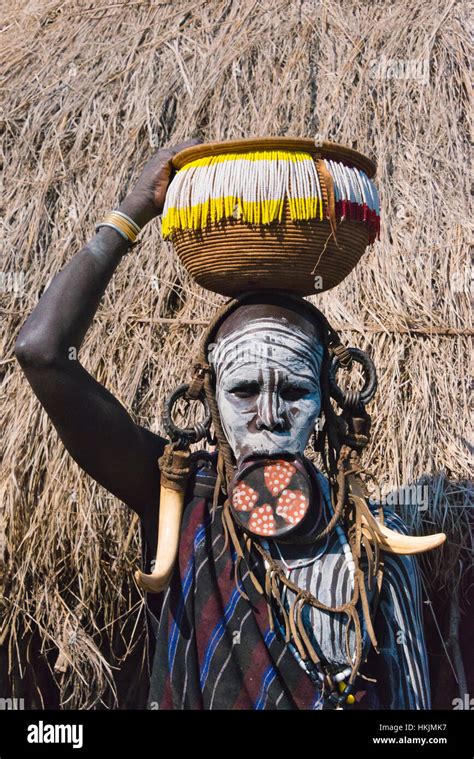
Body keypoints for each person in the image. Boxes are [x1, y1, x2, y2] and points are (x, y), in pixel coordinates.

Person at [15, 142, 430, 710]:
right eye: (242, 391)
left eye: (294, 390)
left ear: (330, 398)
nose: (268, 415)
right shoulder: (183, 503)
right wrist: (133, 210)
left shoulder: (370, 540)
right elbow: (41, 353)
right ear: (207, 401)